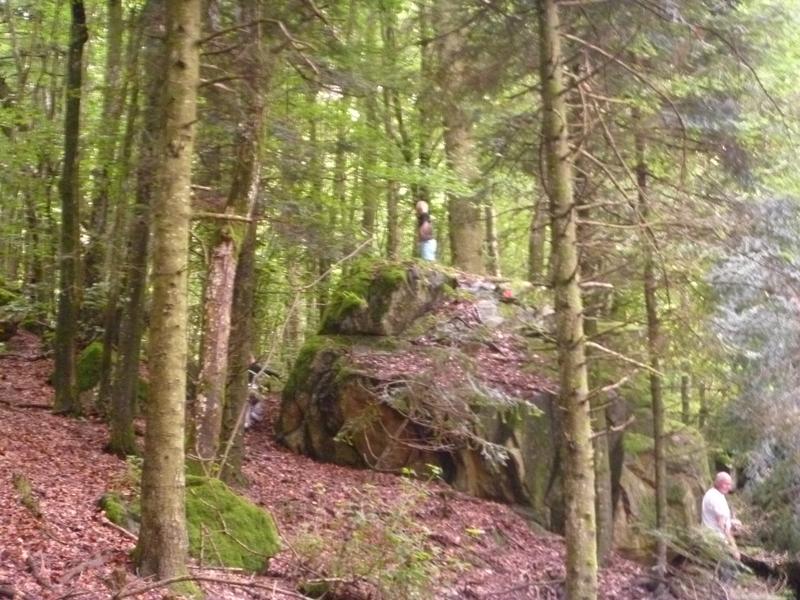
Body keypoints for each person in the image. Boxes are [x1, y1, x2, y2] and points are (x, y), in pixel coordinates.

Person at [702, 471, 742, 560]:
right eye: (726, 484)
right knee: (730, 566)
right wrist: (734, 548)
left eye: (729, 484)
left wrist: (731, 521)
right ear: (718, 483)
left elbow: (719, 517)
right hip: (716, 539)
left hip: (713, 535)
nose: (729, 487)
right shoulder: (715, 498)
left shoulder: (716, 493)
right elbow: (723, 526)